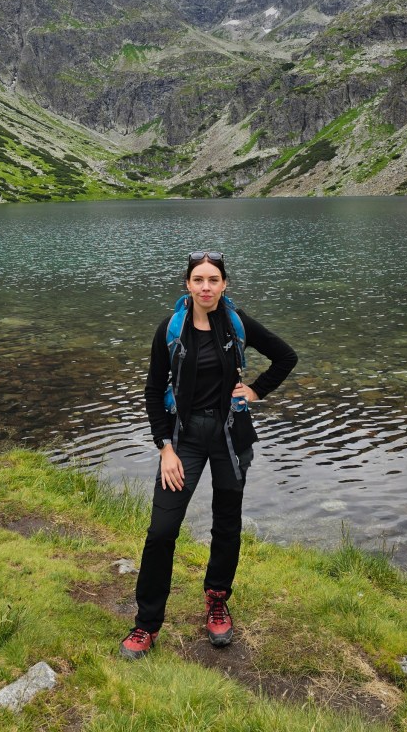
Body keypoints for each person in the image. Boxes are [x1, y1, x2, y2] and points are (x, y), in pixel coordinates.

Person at [120, 250, 298, 659]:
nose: (205, 287)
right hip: (183, 440)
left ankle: (217, 599)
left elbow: (286, 356)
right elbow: (152, 391)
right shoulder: (171, 329)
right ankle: (146, 624)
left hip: (231, 438)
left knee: (227, 524)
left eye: (213, 280)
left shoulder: (236, 324)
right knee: (162, 531)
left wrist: (255, 390)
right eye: (198, 279)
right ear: (187, 284)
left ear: (224, 285)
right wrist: (164, 447)